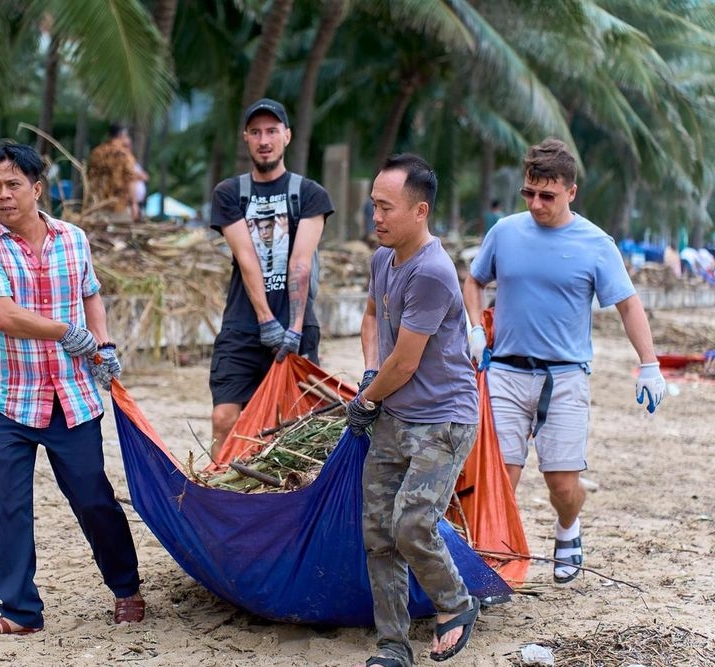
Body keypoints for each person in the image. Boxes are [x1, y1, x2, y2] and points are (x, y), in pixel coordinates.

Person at [0, 140, 144, 637]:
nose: (3, 195)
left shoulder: (73, 239)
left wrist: (102, 346)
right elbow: (2, 314)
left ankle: (126, 588)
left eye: (13, 185)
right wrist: (67, 332)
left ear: (36, 188)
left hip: (73, 397)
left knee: (93, 500)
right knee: (7, 506)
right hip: (11, 401)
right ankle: (19, 612)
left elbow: (91, 295)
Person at [463, 138, 667, 587]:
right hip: (507, 373)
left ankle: (568, 528)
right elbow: (473, 280)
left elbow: (629, 305)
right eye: (529, 193)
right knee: (501, 479)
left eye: (547, 196)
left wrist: (649, 364)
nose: (536, 204)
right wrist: (475, 330)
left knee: (562, 485)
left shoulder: (596, 244)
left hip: (565, 377)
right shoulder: (505, 232)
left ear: (571, 192)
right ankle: (495, 563)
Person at [346, 154, 481, 666]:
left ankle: (455, 603)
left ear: (420, 210)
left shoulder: (432, 272)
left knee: (412, 525)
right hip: (393, 416)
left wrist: (367, 397)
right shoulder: (383, 260)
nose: (375, 217)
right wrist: (367, 375)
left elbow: (404, 362)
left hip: (442, 422)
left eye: (386, 207)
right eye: (372, 206)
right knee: (379, 536)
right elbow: (370, 319)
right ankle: (392, 646)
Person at [208, 98, 334, 458]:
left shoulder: (309, 194)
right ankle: (221, 498)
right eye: (256, 132)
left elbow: (300, 263)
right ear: (246, 138)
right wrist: (266, 320)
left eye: (272, 131)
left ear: (287, 136)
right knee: (224, 417)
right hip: (243, 327)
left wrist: (293, 328)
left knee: (295, 426)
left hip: (297, 330)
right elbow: (246, 258)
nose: (265, 140)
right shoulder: (229, 193)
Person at [86, 124, 141, 220]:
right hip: (119, 206)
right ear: (122, 135)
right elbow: (130, 180)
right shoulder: (125, 155)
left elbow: (89, 177)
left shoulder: (96, 153)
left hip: (97, 204)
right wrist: (134, 204)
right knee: (121, 233)